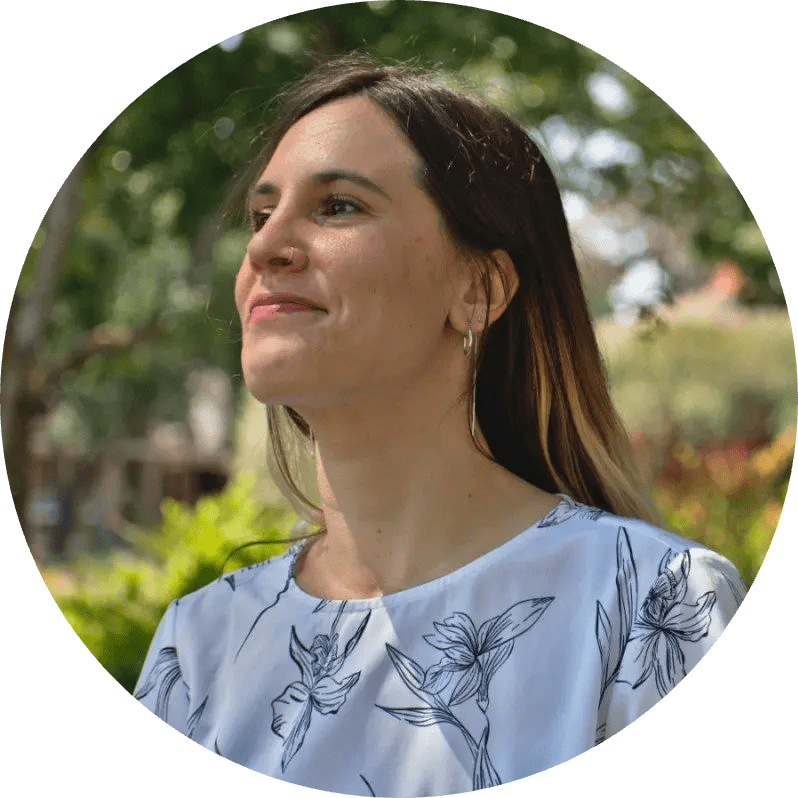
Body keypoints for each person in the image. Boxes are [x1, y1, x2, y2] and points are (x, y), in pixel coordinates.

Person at [134, 56, 746, 796]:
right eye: (262, 215)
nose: (264, 248)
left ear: (480, 289)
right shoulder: (200, 645)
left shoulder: (652, 607)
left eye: (338, 207)